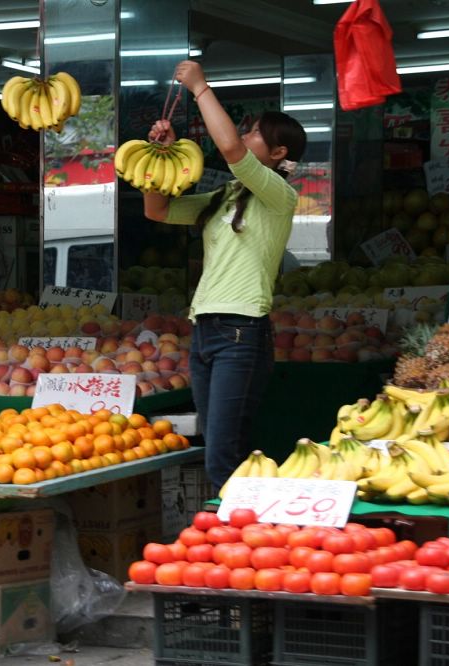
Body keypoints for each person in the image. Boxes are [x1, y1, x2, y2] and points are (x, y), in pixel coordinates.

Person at [143, 60, 307, 492]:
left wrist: (200, 87)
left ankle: (228, 539)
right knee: (216, 445)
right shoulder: (225, 195)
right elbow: (156, 209)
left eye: (255, 133)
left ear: (278, 154)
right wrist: (160, 156)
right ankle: (225, 539)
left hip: (241, 331)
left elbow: (232, 150)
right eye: (247, 129)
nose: (245, 136)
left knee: (223, 452)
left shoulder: (279, 194)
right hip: (206, 329)